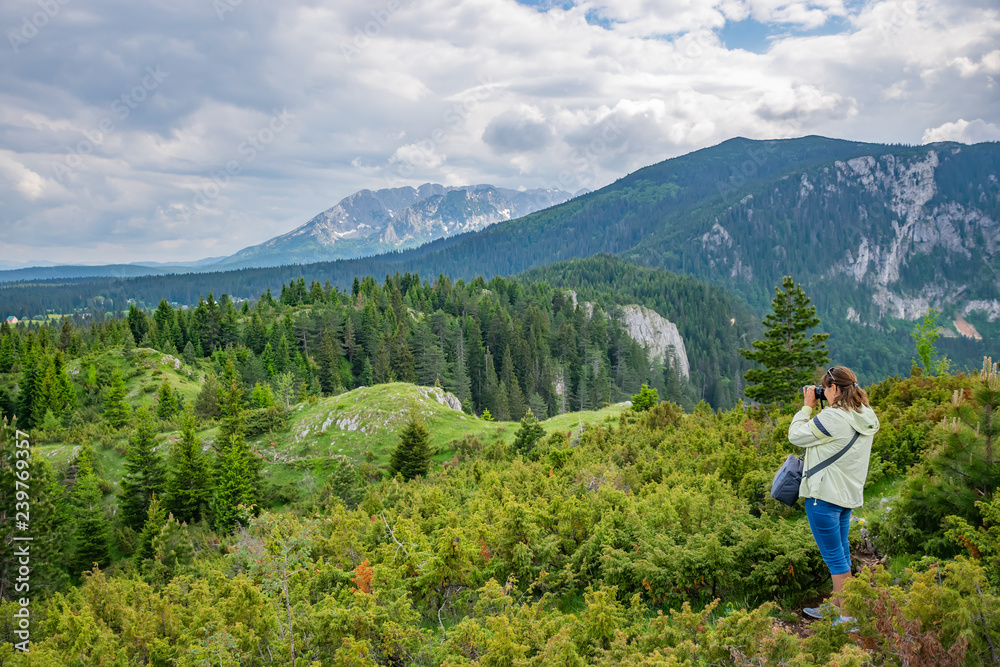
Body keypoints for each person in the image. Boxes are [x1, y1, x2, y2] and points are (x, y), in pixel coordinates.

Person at [788, 365, 880, 623]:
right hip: (845, 496)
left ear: (835, 388)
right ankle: (837, 606)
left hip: (823, 496)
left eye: (825, 388)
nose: (822, 392)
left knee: (835, 558)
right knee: (840, 554)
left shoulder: (832, 418)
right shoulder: (864, 413)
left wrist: (807, 407)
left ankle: (847, 616)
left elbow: (795, 435)